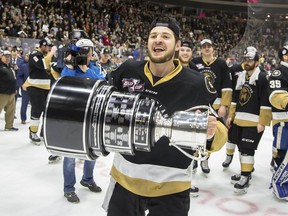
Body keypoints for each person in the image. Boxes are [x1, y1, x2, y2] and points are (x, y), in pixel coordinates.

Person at [103, 17, 228, 216]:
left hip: (172, 186)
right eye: (153, 36)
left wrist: (211, 133)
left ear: (177, 45)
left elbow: (219, 131)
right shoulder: (127, 70)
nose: (158, 40)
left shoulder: (196, 83)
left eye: (165, 36)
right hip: (125, 180)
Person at [61, 38, 105, 203]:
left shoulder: (93, 68)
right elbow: (65, 85)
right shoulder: (69, 69)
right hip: (73, 116)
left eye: (89, 51)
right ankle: (69, 188)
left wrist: (86, 69)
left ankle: (87, 179)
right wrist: (72, 67)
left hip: (91, 115)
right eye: (83, 51)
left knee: (92, 150)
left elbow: (101, 83)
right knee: (70, 155)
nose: (86, 54)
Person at [226, 46, 272, 194]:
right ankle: (245, 172)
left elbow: (266, 101)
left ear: (257, 62)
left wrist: (262, 122)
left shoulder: (263, 77)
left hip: (253, 122)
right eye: (245, 59)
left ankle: (245, 177)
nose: (247, 62)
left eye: (250, 60)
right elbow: (235, 99)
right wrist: (231, 116)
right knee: (241, 147)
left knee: (247, 150)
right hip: (239, 119)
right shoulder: (241, 77)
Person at [191, 39, 232, 174]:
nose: (207, 48)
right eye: (204, 47)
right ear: (201, 49)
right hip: (198, 103)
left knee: (211, 134)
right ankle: (193, 158)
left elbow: (227, 86)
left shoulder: (221, 64)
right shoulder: (194, 63)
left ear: (213, 48)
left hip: (215, 105)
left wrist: (224, 105)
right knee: (195, 132)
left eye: (209, 46)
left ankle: (205, 158)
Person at [23, 38, 61, 163]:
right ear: (42, 46)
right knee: (36, 110)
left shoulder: (45, 56)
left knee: (46, 111)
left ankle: (42, 132)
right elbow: (42, 65)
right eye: (47, 47)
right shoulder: (35, 54)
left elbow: (50, 70)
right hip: (35, 87)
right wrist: (51, 54)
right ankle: (32, 133)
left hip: (45, 88)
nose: (49, 48)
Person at [178, 39, 200, 197]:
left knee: (188, 152)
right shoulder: (169, 67)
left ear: (192, 53)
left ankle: (185, 184)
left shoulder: (196, 71)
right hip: (171, 114)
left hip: (190, 115)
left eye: (188, 50)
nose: (185, 53)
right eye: (183, 50)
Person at [268, 45, 288, 199]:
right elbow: (275, 96)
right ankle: (279, 185)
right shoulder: (279, 71)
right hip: (283, 120)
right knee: (281, 151)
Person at [0, 50, 18, 131]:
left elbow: (13, 78)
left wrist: (15, 89)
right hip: (2, 93)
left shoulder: (10, 67)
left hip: (11, 93)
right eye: (5, 56)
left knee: (11, 111)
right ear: (1, 56)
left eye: (8, 57)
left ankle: (9, 126)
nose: (7, 58)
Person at [17, 52, 30, 124]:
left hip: (35, 87)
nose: (27, 57)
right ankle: (23, 118)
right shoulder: (23, 66)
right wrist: (22, 85)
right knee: (24, 104)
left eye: (29, 56)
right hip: (25, 87)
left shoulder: (35, 66)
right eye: (26, 55)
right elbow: (19, 76)